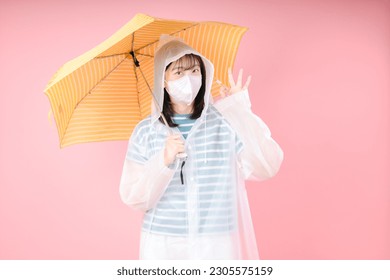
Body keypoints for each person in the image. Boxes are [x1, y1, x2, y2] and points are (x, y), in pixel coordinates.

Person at [119, 35, 284, 260]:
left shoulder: (223, 121)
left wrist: (239, 110)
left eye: (195, 71)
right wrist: (163, 161)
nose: (189, 79)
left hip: (215, 241)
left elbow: (267, 166)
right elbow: (133, 196)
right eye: (178, 73)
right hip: (164, 243)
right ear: (163, 81)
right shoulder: (146, 131)